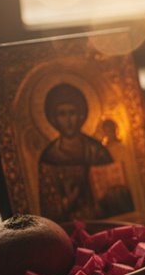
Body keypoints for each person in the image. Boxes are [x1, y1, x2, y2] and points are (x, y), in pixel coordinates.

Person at [38, 82, 133, 220]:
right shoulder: (49, 158)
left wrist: (114, 193)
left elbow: (120, 200)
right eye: (62, 114)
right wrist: (68, 201)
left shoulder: (97, 151)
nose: (68, 120)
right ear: (53, 119)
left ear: (81, 116)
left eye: (72, 113)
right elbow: (47, 214)